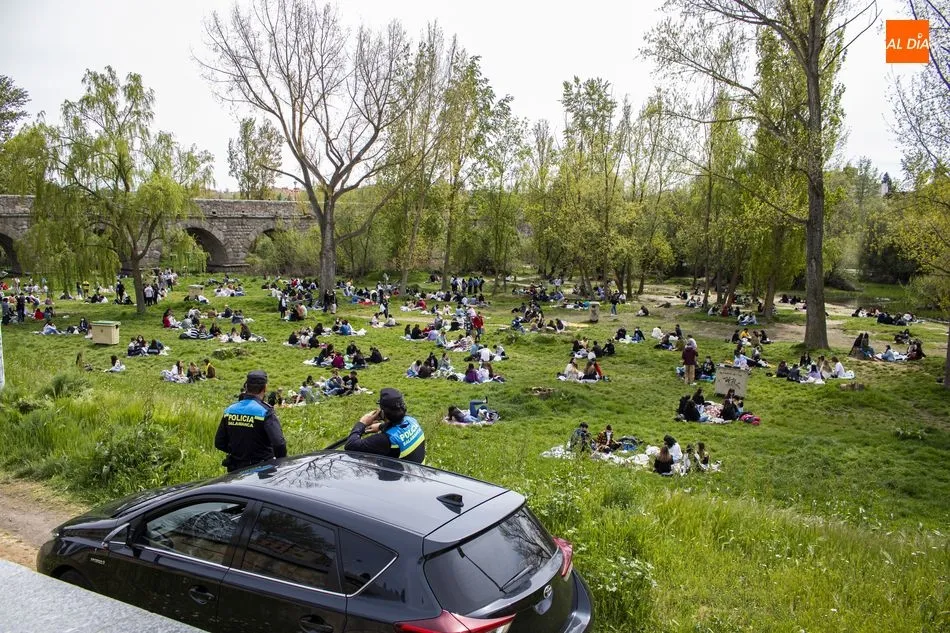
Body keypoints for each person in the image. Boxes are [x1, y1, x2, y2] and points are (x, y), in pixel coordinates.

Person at [214, 370, 287, 472]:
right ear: (265, 388)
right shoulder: (265, 411)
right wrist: (280, 464)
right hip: (262, 472)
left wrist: (238, 453)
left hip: (235, 471)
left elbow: (219, 442)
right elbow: (279, 444)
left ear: (246, 387)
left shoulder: (229, 410)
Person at [345, 387, 425, 463]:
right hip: (418, 473)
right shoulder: (411, 420)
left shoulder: (385, 440)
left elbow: (350, 446)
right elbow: (399, 429)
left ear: (382, 412)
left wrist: (362, 423)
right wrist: (381, 426)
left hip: (398, 476)